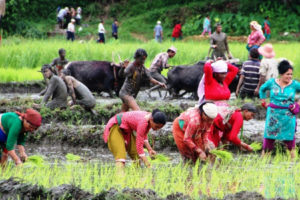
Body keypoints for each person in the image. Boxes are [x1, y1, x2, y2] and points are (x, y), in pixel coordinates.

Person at [260, 60, 300, 158]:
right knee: (269, 138)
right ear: (281, 74)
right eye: (287, 74)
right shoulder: (272, 83)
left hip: (288, 116)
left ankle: (293, 162)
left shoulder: (294, 84)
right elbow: (262, 89)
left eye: (291, 74)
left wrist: (298, 104)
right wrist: (263, 100)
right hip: (273, 115)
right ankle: (263, 161)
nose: (290, 76)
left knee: (290, 139)